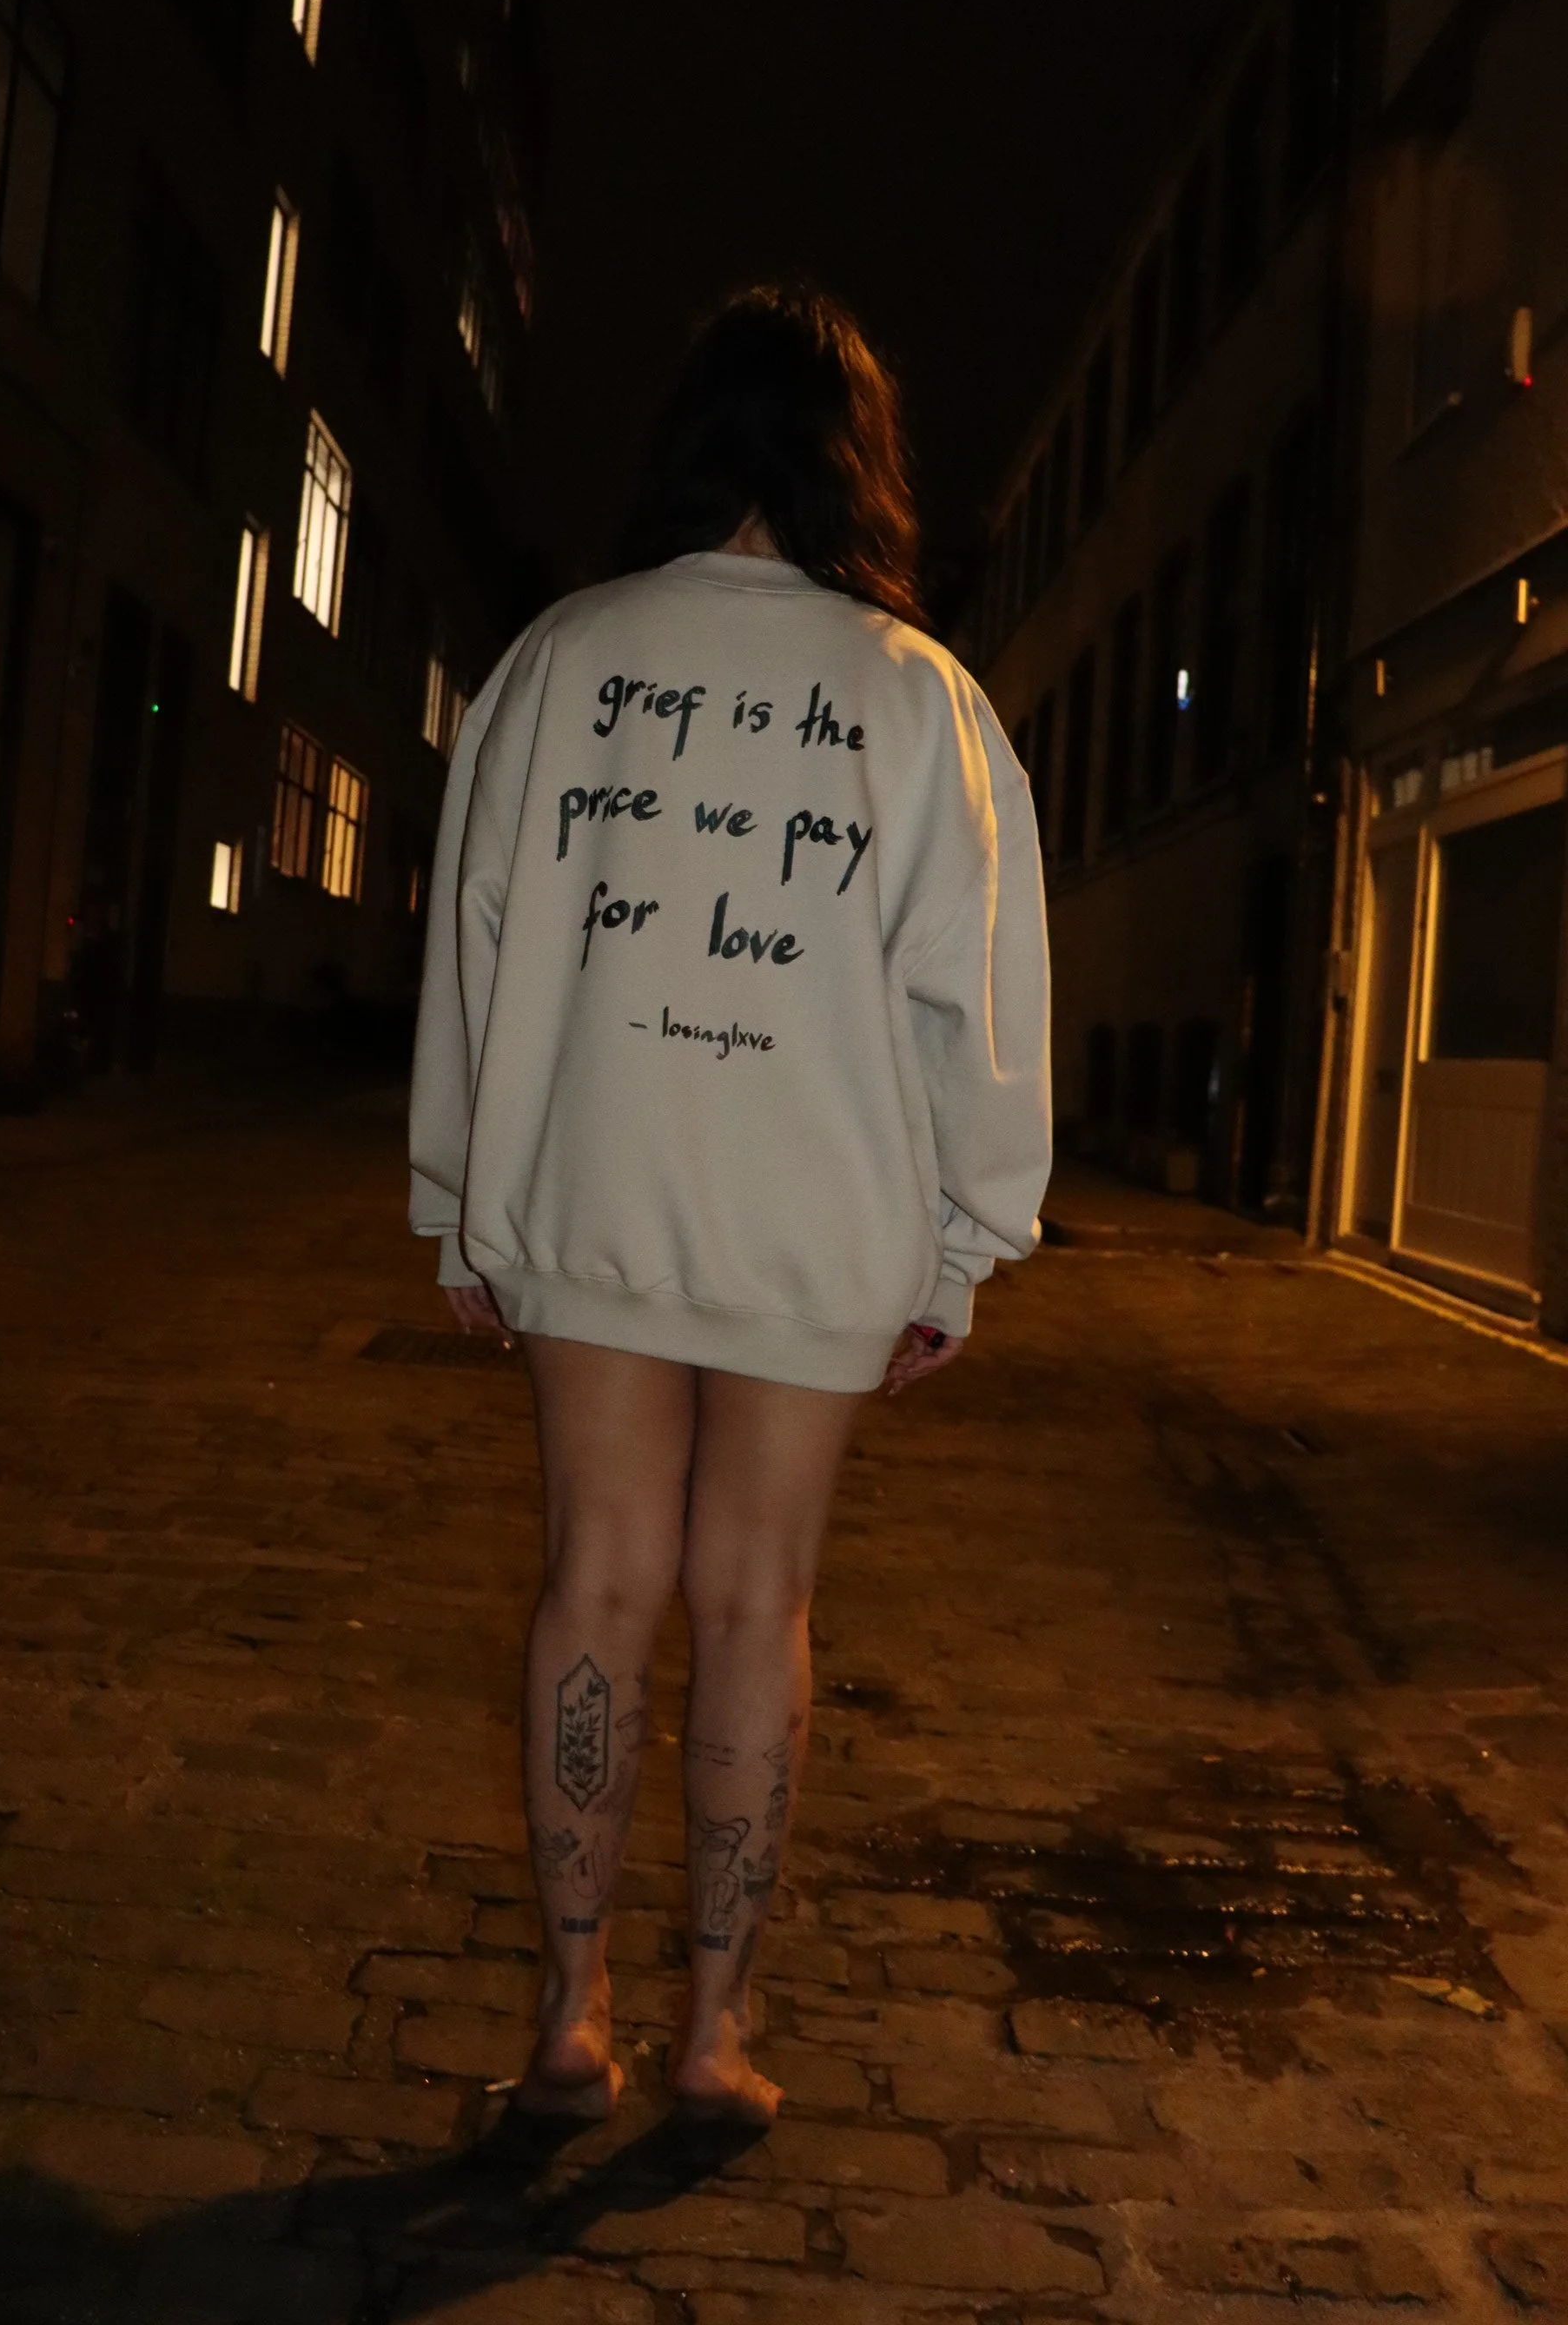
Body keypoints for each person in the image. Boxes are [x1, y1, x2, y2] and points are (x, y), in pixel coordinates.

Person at [408, 282, 1049, 2125]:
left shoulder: (558, 661)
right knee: (753, 1600)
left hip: (594, 1196)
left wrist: (466, 1198)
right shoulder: (916, 700)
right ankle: (710, 2035)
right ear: (859, 460)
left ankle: (565, 2016)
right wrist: (960, 1243)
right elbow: (977, 994)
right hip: (811, 1222)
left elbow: (478, 940)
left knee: (592, 1580)